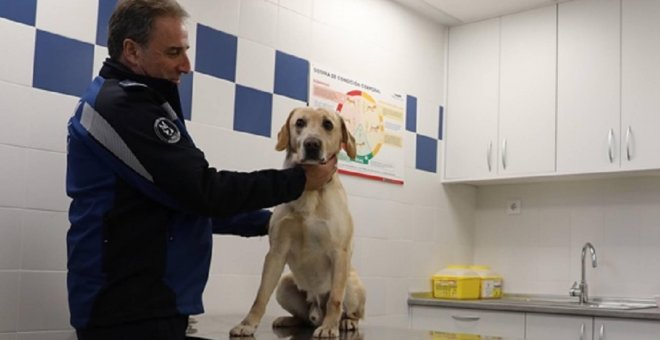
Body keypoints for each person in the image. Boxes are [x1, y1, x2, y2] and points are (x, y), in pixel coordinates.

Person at [65, 0, 337, 339]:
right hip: (127, 312)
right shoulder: (123, 106)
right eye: (174, 51)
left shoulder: (137, 102)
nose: (186, 65)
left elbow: (180, 202)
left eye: (185, 51)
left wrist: (274, 223)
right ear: (132, 52)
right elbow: (204, 191)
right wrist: (299, 180)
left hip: (147, 306)